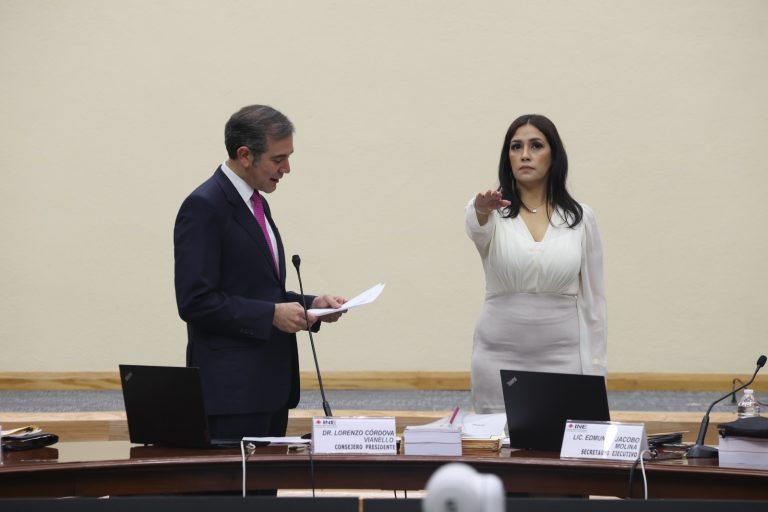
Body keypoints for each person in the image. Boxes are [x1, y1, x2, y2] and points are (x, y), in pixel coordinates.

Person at [174, 105, 346, 440]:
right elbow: (195, 301)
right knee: (234, 495)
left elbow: (257, 291)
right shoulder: (205, 206)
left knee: (264, 494)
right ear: (245, 155)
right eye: (278, 159)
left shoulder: (255, 202)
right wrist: (270, 315)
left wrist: (314, 306)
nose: (287, 169)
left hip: (268, 392)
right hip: (231, 397)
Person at [465, 114, 606, 413]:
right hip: (497, 358)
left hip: (564, 358)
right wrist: (480, 209)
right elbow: (476, 228)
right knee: (498, 449)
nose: (525, 155)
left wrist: (595, 367)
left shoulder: (580, 217)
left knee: (558, 451)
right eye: (516, 147)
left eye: (536, 145)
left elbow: (595, 302)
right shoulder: (490, 212)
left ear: (554, 155)